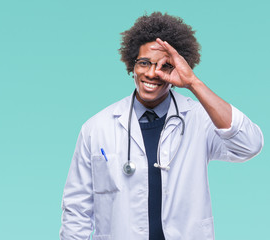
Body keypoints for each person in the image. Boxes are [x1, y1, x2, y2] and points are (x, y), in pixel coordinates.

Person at [60, 12, 263, 240]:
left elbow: (250, 145)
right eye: (144, 63)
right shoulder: (96, 128)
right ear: (131, 65)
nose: (152, 73)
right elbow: (76, 209)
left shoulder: (199, 119)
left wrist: (193, 83)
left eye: (164, 66)